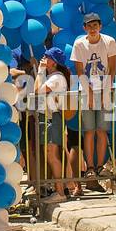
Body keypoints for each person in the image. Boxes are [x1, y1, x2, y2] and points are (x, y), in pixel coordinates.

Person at [71, 12, 116, 190]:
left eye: (95, 25)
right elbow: (79, 70)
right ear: (84, 28)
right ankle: (90, 167)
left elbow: (112, 67)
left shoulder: (108, 42)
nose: (92, 28)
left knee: (102, 130)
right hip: (87, 90)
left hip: (105, 89)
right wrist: (90, 93)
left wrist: (106, 89)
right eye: (89, 26)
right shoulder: (79, 44)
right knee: (89, 130)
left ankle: (100, 166)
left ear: (100, 26)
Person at [35, 47, 76, 199]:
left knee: (53, 154)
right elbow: (37, 90)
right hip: (49, 117)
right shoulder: (53, 77)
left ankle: (60, 192)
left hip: (53, 118)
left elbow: (38, 90)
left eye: (47, 57)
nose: (44, 58)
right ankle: (60, 189)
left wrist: (40, 71)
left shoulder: (57, 77)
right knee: (51, 154)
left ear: (54, 62)